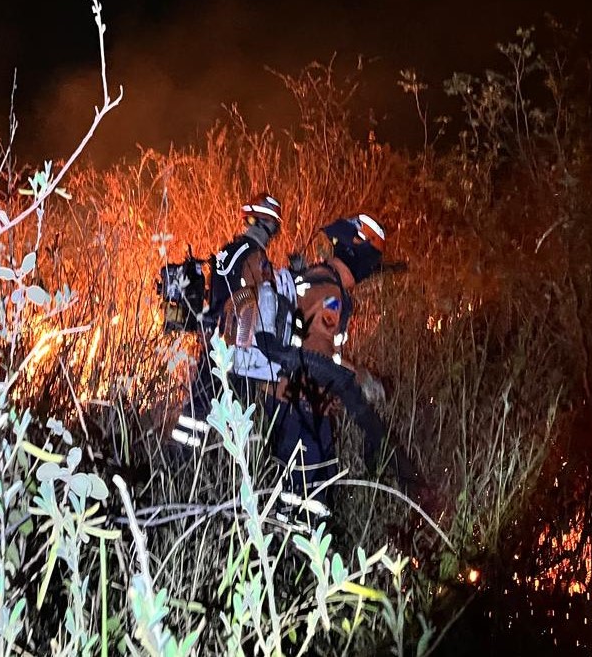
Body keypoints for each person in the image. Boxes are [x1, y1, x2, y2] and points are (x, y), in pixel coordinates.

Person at [261, 213, 420, 529]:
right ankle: (294, 554)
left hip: (283, 392)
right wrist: (360, 380)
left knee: (312, 489)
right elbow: (318, 355)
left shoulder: (312, 276)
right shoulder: (332, 295)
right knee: (305, 492)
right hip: (302, 399)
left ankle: (302, 545)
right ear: (359, 253)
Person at [170, 191, 295, 449]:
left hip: (215, 345)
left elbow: (220, 295)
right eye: (271, 227)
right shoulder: (256, 258)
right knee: (242, 417)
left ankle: (180, 464)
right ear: (265, 225)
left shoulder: (226, 251)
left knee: (198, 409)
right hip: (239, 352)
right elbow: (257, 303)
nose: (271, 234)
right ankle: (237, 470)